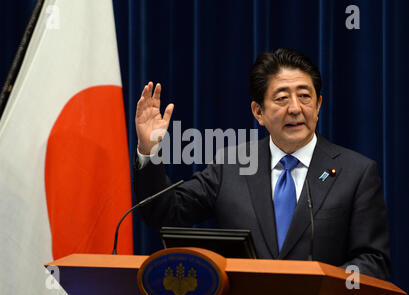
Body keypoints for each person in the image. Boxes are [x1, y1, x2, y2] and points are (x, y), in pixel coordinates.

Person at [133, 48, 391, 280]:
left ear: (319, 104)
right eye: (281, 98)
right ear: (258, 112)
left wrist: (323, 287)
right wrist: (149, 149)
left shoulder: (357, 173)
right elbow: (164, 213)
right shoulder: (230, 165)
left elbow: (373, 261)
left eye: (304, 96)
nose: (295, 108)